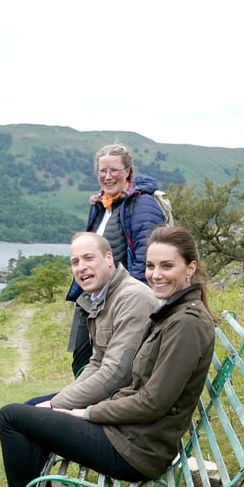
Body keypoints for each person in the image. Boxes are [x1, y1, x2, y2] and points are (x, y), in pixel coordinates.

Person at [0, 226, 215, 487]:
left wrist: (86, 413)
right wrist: (73, 410)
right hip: (130, 433)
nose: (156, 275)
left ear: (190, 268)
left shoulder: (185, 324)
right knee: (27, 417)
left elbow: (152, 402)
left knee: (12, 417)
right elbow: (130, 382)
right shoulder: (173, 313)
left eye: (167, 266)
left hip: (135, 449)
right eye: (151, 266)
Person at [67, 144, 166, 376]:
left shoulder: (141, 205)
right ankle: (76, 405)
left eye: (114, 170)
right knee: (83, 360)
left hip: (120, 300)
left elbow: (147, 255)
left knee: (108, 365)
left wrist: (136, 302)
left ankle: (85, 408)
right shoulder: (102, 205)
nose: (108, 177)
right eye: (102, 171)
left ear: (128, 171)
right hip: (93, 298)